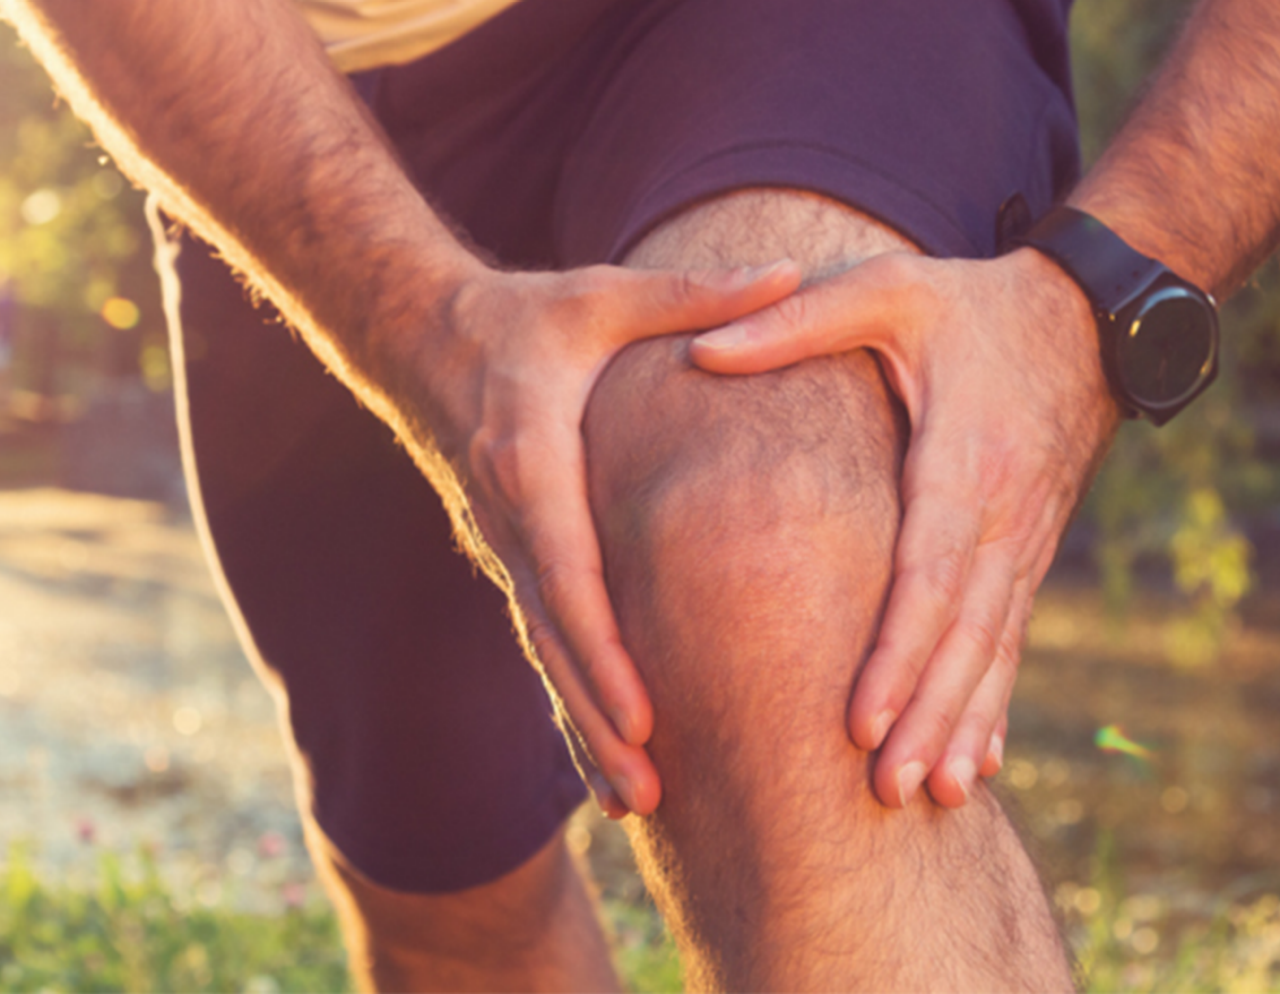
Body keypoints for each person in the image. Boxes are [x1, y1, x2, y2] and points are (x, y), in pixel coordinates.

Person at [4, 0, 1277, 989]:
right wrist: (416, 319)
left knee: (772, 551)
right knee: (451, 886)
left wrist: (1101, 288)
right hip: (289, 71)